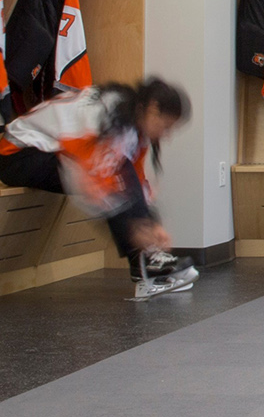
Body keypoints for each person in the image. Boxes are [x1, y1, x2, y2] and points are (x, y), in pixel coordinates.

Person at [0, 78, 196, 299]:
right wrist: (135, 229)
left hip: (54, 154)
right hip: (17, 155)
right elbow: (87, 179)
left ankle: (148, 265)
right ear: (152, 110)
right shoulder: (105, 116)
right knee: (115, 179)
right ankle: (147, 265)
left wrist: (152, 224)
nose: (166, 136)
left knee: (122, 177)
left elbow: (137, 180)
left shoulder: (132, 126)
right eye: (166, 127)